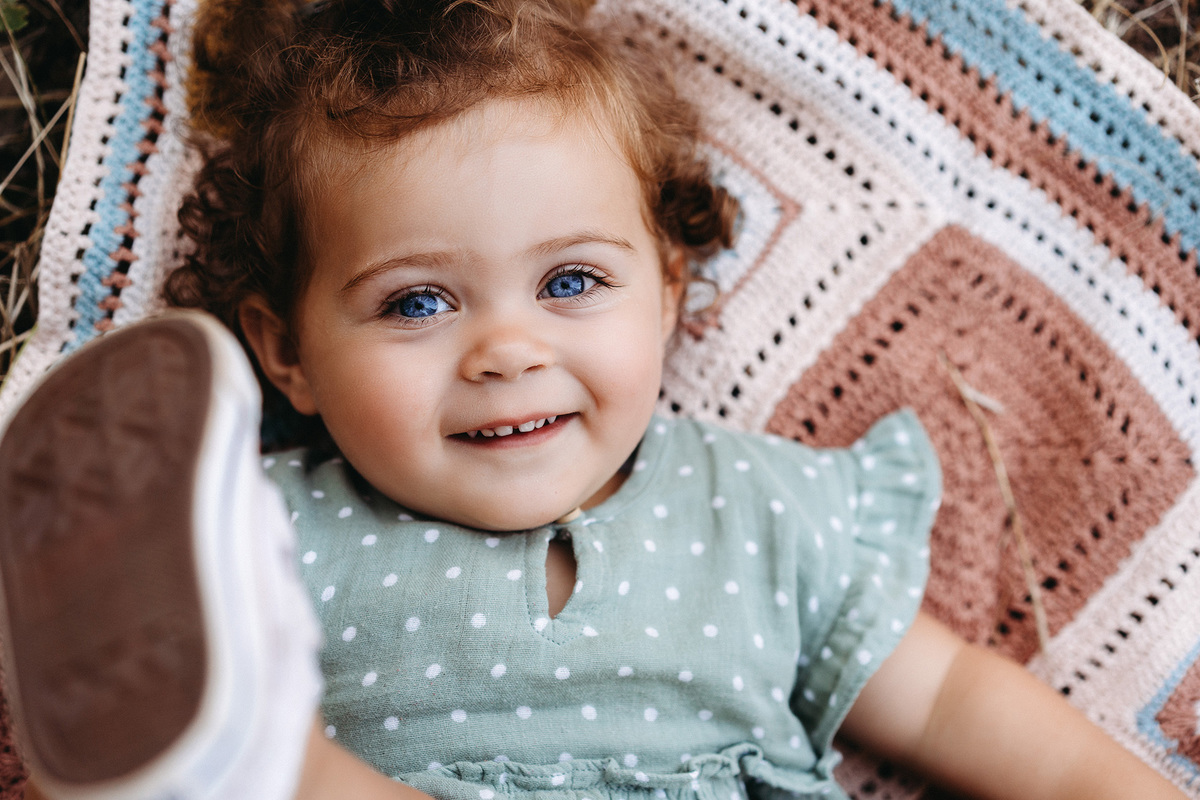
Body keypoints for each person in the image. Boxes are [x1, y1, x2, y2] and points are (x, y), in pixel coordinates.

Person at [0, 0, 1187, 798]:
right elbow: (103, 712)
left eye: (570, 281)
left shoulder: (757, 508)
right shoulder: (250, 527)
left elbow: (943, 697)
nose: (506, 349)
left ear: (666, 292)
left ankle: (271, 767)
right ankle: (265, 765)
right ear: (287, 351)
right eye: (417, 301)